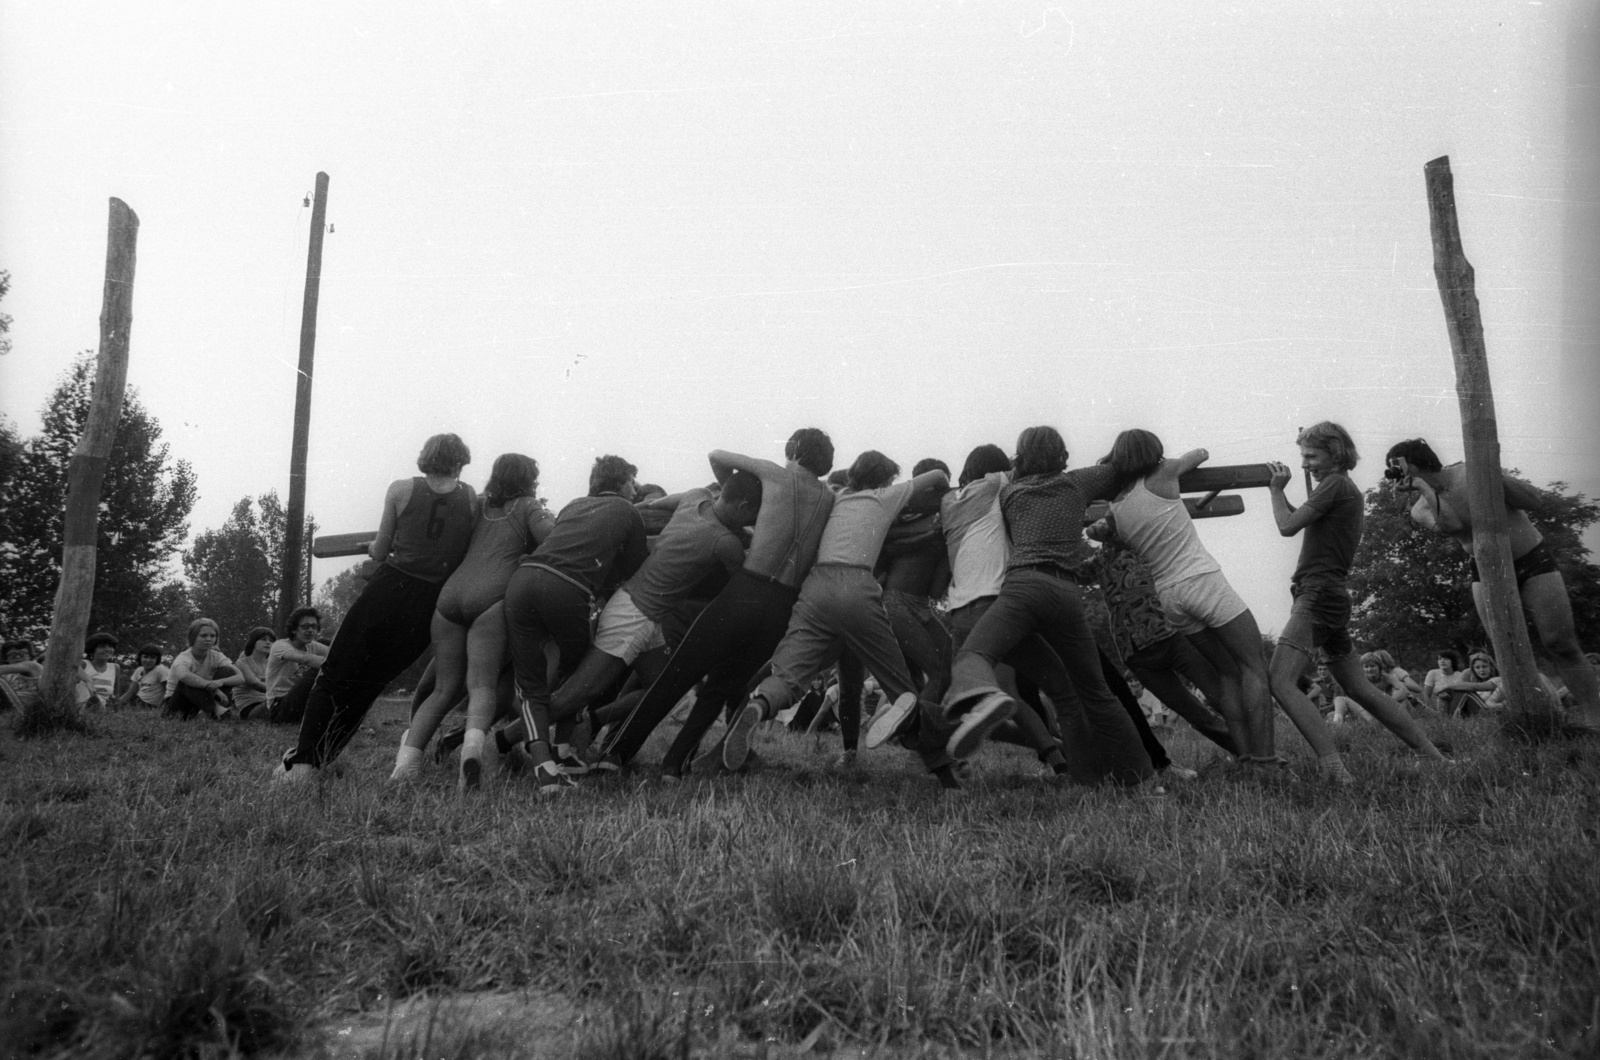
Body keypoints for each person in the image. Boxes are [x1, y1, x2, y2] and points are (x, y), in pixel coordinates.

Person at [595, 429, 836, 775]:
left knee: (678, 673)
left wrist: (736, 490)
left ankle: (614, 754)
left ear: (793, 448)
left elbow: (716, 455)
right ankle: (673, 765)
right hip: (783, 603)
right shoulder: (828, 498)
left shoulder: (774, 475)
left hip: (746, 588)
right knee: (722, 687)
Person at [721, 450, 957, 785]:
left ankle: (760, 705)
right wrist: (946, 488)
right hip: (856, 585)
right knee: (900, 686)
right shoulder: (886, 496)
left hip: (815, 589)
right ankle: (944, 773)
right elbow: (934, 476)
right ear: (886, 479)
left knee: (789, 674)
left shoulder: (837, 499)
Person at [940, 427, 1154, 786]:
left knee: (973, 653)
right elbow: (1120, 466)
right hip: (1066, 593)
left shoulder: (1008, 492)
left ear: (1020, 457)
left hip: (1022, 589)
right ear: (1062, 454)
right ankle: (1141, 780)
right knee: (1094, 693)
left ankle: (983, 698)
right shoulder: (1077, 484)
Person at [530, 472, 761, 782]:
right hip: (636, 616)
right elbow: (745, 586)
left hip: (640, 610)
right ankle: (503, 738)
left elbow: (654, 507)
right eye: (754, 514)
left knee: (661, 686)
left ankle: (592, 727)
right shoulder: (726, 542)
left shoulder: (694, 496)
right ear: (744, 507)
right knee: (572, 697)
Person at [279, 433, 477, 781]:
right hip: (430, 601)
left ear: (426, 456)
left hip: (390, 589)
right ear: (461, 460)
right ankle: (320, 758)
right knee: (370, 684)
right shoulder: (470, 497)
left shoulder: (401, 489)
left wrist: (373, 547)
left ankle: (303, 765)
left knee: (335, 674)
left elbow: (381, 550)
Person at [1260, 423, 1446, 774]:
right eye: (1303, 456)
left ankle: (1334, 767)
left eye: (1311, 456)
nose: (1304, 464)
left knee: (1280, 680)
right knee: (1358, 687)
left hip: (1317, 596)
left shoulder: (1335, 484)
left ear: (1335, 452)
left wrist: (1273, 491)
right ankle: (1432, 756)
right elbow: (1298, 516)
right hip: (1328, 596)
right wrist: (1282, 492)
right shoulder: (1339, 487)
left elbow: (1286, 525)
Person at [1389, 437, 1600, 735]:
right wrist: (1423, 487)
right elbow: (1453, 525)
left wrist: (1493, 475)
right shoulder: (1420, 510)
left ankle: (1595, 720)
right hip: (1485, 571)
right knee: (1507, 650)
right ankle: (1537, 720)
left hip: (1532, 558)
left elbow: (1534, 501)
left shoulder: (1470, 472)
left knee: (1560, 643)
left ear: (1411, 463)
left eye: (1397, 468)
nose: (1395, 477)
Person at [1102, 430, 1271, 766]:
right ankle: (1266, 759)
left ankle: (1246, 758)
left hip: (1168, 596)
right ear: (1154, 453)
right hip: (1200, 579)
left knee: (1227, 675)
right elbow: (1200, 455)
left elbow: (1113, 534)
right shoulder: (1162, 475)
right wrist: (1174, 459)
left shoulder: (1116, 508)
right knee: (1254, 667)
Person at [392, 453, 554, 790]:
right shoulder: (527, 506)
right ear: (527, 479)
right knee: (481, 685)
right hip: (492, 598)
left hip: (450, 597)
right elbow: (554, 540)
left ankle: (404, 769)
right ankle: (472, 752)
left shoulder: (475, 505)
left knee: (443, 689)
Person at [503, 454, 648, 793]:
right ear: (622, 482)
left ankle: (544, 766)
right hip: (567, 588)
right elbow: (634, 569)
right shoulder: (629, 511)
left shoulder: (573, 505)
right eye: (632, 481)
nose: (635, 489)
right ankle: (564, 751)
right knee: (579, 671)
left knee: (531, 686)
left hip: (523, 582)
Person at [165, 618, 249, 720]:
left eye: (212, 636)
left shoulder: (217, 656)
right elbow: (183, 675)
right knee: (188, 679)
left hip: (201, 701)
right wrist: (215, 689)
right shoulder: (184, 657)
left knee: (228, 671)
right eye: (203, 635)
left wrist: (220, 682)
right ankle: (217, 710)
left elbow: (240, 678)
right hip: (177, 704)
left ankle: (211, 712)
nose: (209, 639)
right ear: (193, 637)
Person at [265, 608, 328, 725]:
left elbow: (336, 654)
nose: (310, 630)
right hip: (279, 707)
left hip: (300, 702)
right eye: (305, 627)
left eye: (314, 627)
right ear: (294, 629)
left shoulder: (313, 645)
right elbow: (305, 659)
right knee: (319, 671)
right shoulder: (280, 646)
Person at [232, 627, 276, 720]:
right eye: (263, 639)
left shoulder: (272, 664)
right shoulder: (242, 663)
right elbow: (255, 684)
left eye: (271, 640)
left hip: (268, 702)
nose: (268, 642)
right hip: (250, 708)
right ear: (252, 642)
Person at [77, 632, 121, 710]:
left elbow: (115, 695)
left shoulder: (115, 667)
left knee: (100, 702)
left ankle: (96, 706)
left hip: (104, 706)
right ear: (92, 650)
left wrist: (116, 713)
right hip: (82, 702)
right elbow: (72, 665)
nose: (107, 649)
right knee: (81, 687)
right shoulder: (84, 664)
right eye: (102, 647)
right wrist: (88, 680)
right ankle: (89, 706)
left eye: (110, 646)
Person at [119, 644, 170, 709]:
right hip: (138, 701)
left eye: (152, 657)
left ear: (157, 659)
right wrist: (116, 703)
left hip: (151, 706)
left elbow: (169, 691)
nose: (148, 660)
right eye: (145, 657)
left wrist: (162, 709)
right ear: (140, 658)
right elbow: (131, 692)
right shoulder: (139, 670)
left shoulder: (160, 670)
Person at [1423, 649, 1471, 715]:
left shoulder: (1460, 676)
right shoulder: (1433, 673)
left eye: (1446, 659)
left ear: (1452, 661)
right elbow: (1426, 695)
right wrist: (1432, 710)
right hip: (1437, 707)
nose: (1442, 661)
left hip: (1455, 707)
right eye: (1439, 659)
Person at [1, 639, 43, 713]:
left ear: (29, 656)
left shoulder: (33, 666)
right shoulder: (6, 675)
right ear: (6, 659)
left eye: (22, 654)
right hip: (11, 709)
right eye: (13, 655)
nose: (18, 657)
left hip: (31, 711)